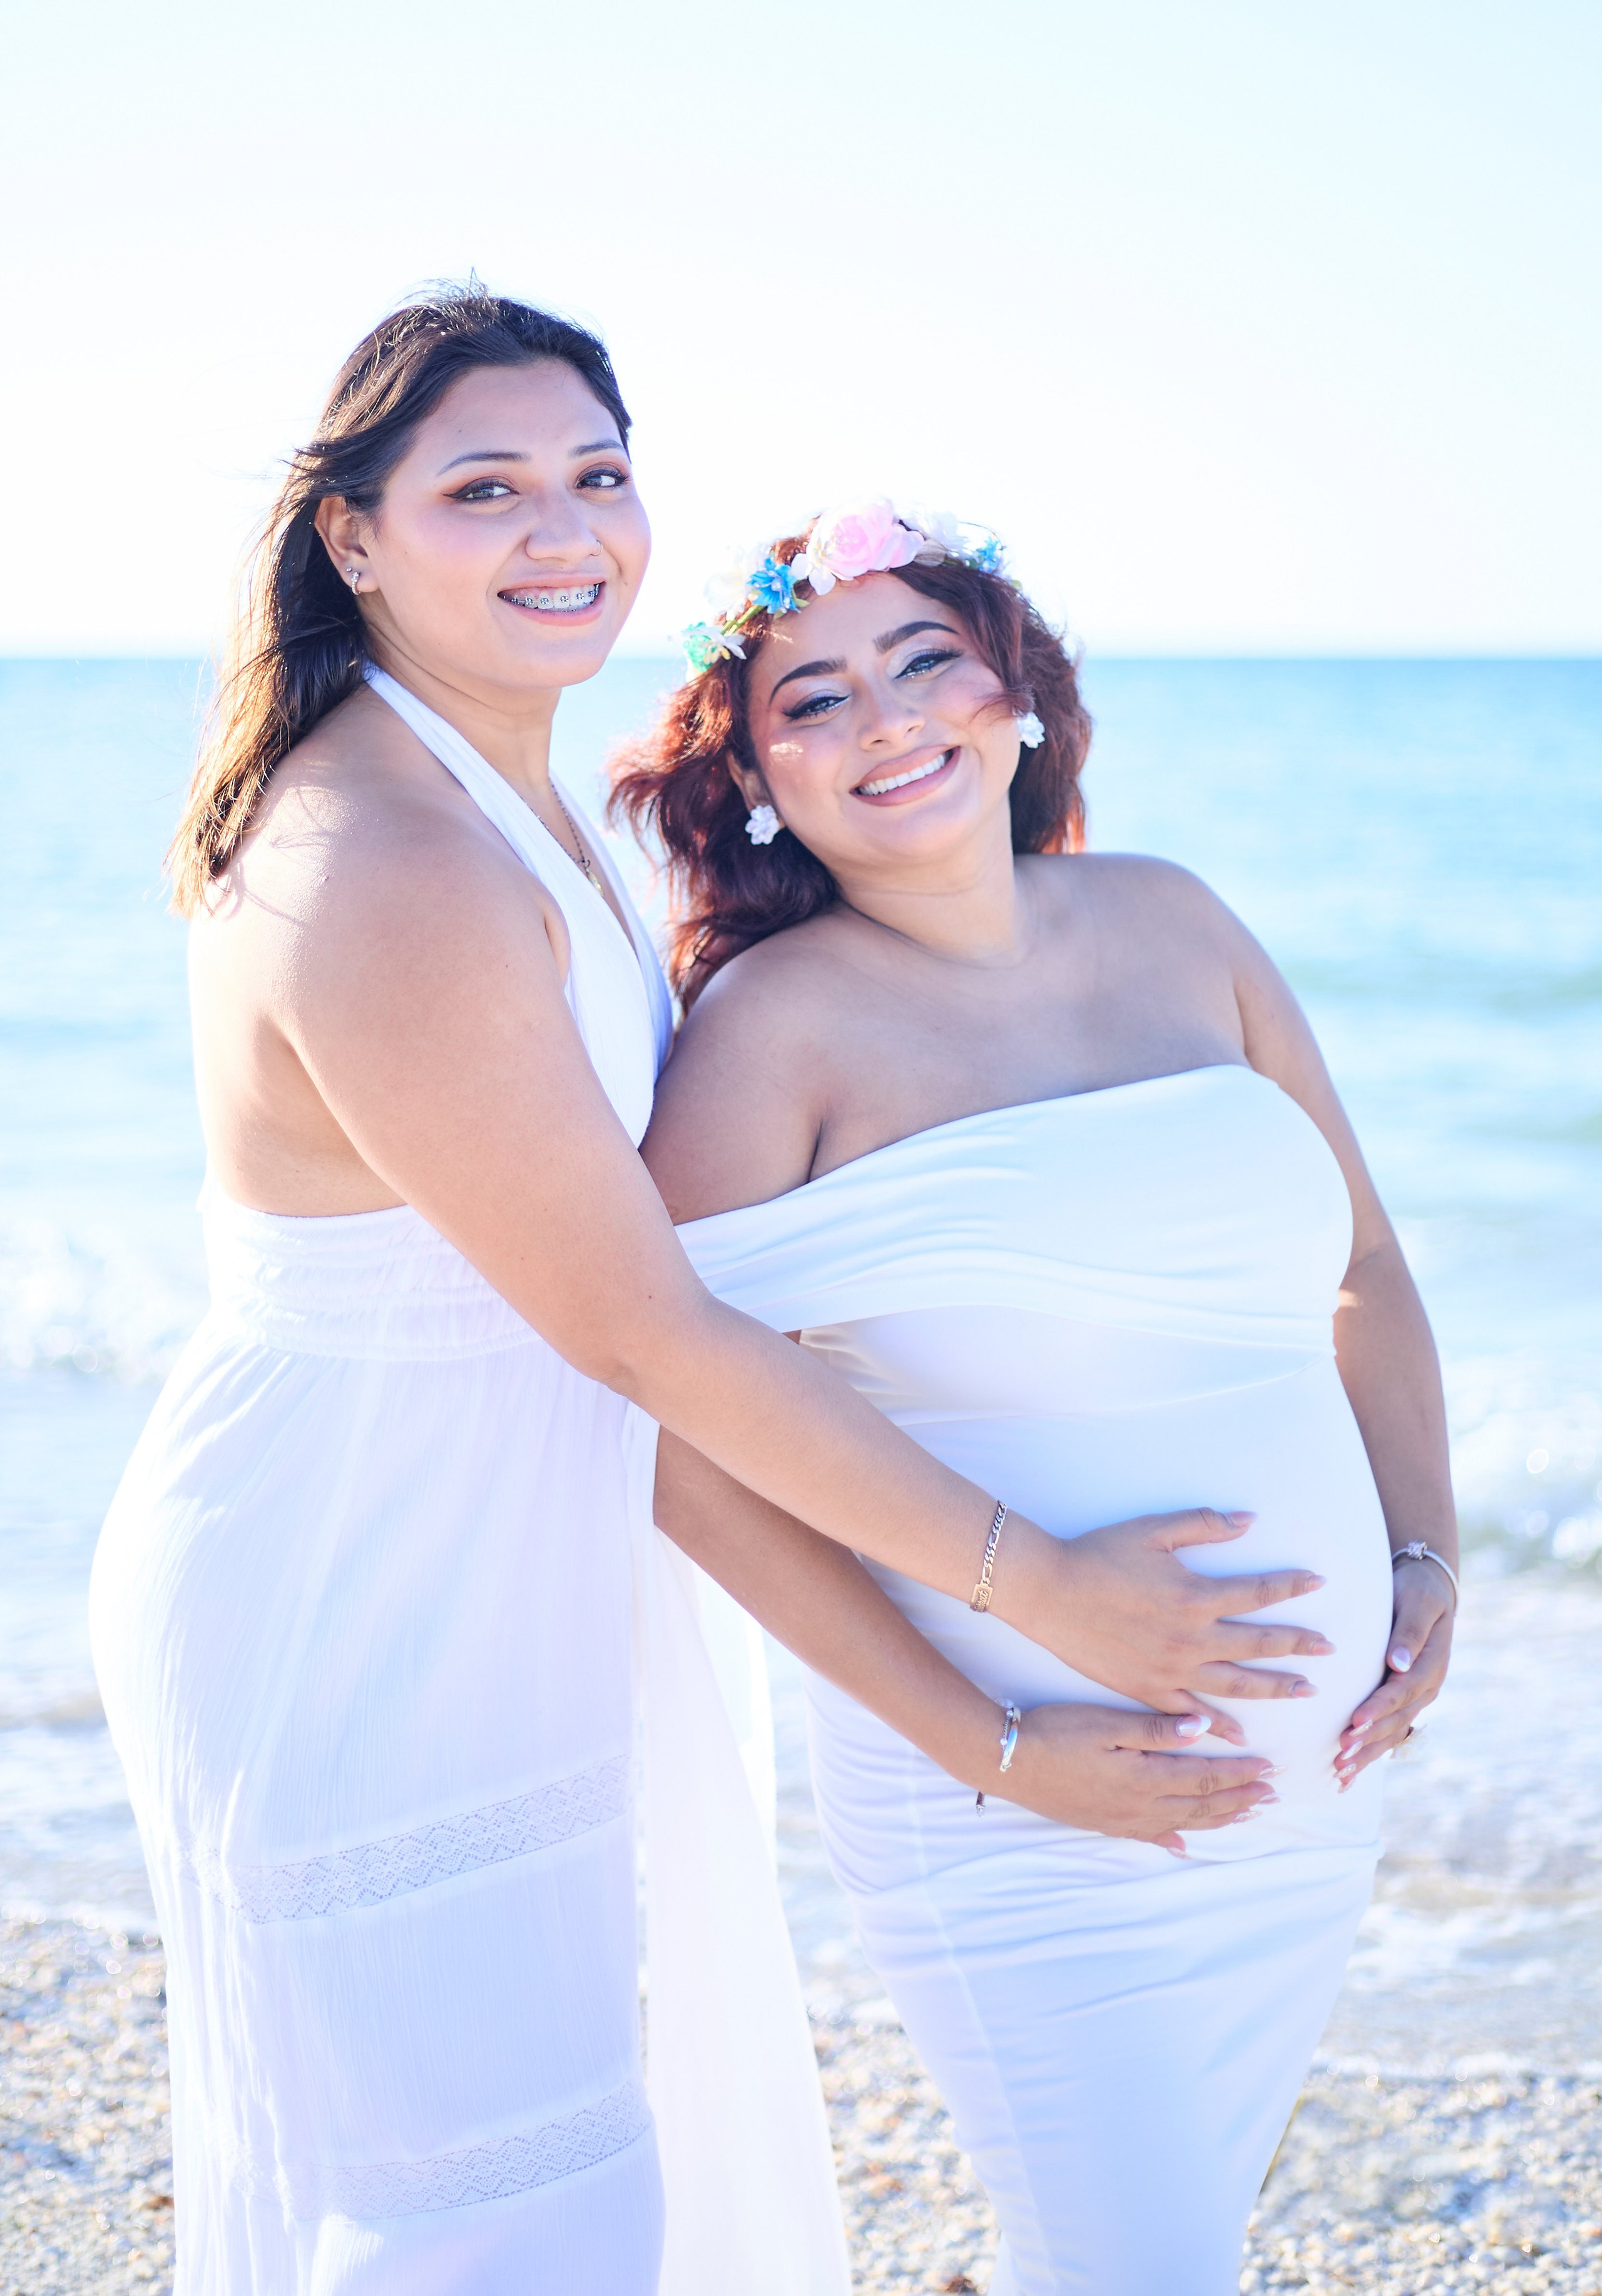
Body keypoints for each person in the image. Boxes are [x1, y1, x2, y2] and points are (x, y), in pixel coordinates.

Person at [89, 300, 1325, 2296]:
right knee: (472, 2207)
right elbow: (644, 1327)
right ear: (353, 539)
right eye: (485, 488)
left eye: (596, 473)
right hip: (362, 1570)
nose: (563, 528)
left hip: (506, 1544)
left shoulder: (507, 805)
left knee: (552, 2177)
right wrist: (1035, 1610)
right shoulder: (383, 856)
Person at [615, 498, 1459, 2296]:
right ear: (756, 777)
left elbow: (1369, 1269)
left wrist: (1426, 1559)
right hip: (1022, 1810)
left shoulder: (1178, 921)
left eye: (927, 660)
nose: (890, 718)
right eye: (814, 699)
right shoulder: (773, 1032)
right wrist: (989, 1740)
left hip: (1307, 1804)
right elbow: (665, 1432)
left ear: (1016, 696)